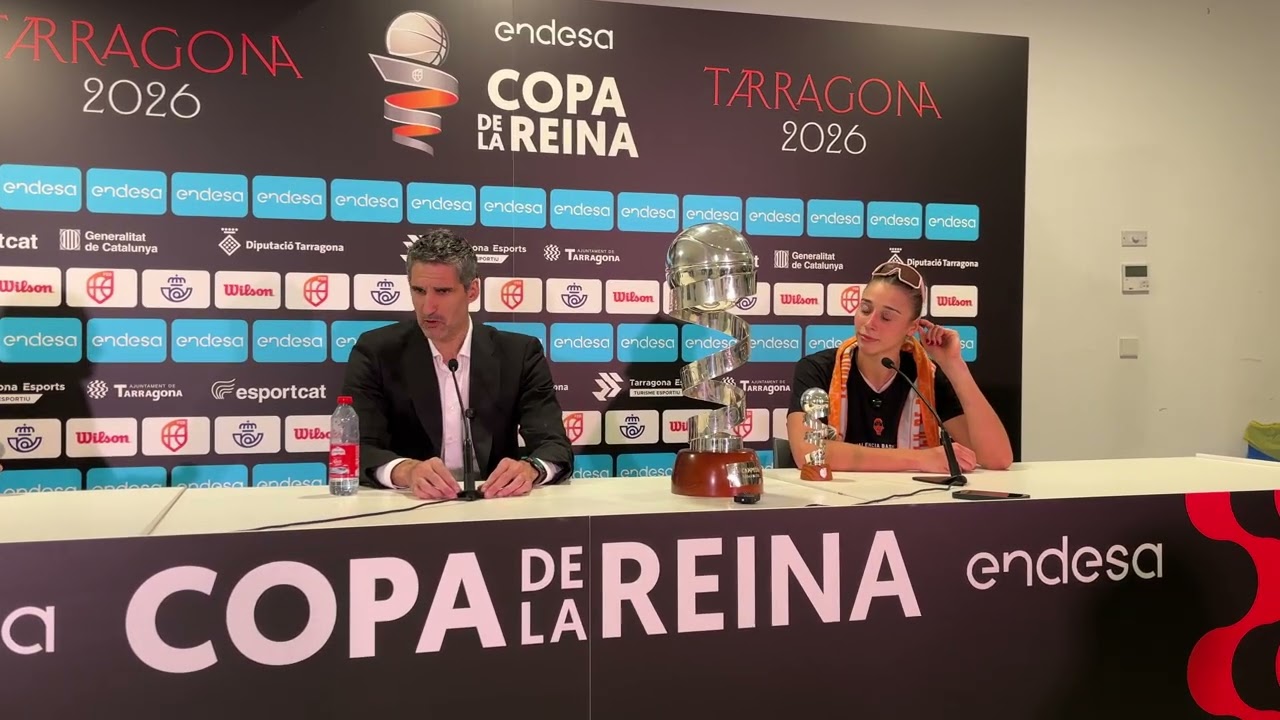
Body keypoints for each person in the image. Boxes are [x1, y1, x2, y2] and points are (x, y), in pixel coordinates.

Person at [341, 229, 574, 499]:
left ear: (472, 290)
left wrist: (531, 469)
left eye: (442, 291)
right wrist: (406, 471)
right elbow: (356, 448)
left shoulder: (519, 354)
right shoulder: (376, 351)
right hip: (409, 505)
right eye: (419, 290)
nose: (427, 307)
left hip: (495, 505)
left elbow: (554, 446)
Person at [786, 261, 1013, 473]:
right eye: (865, 309)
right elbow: (809, 452)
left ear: (912, 327)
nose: (869, 323)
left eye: (886, 317)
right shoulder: (817, 369)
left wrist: (954, 365)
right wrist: (921, 459)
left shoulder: (927, 377)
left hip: (911, 500)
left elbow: (997, 459)